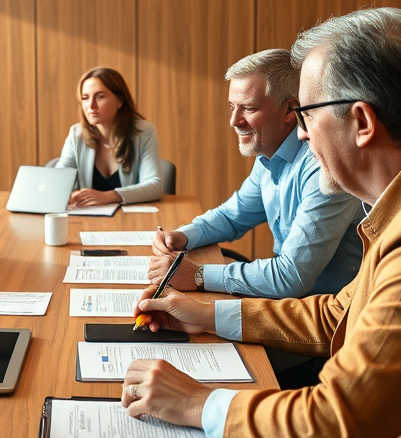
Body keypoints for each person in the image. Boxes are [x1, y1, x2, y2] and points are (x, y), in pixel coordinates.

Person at [123, 9, 401, 438]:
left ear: (361, 122)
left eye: (307, 114)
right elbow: (339, 313)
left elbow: (330, 428)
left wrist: (196, 401)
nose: (301, 130)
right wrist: (203, 312)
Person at [149, 49, 362, 299]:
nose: (234, 121)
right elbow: (231, 217)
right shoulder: (268, 155)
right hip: (288, 303)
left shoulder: (322, 168)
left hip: (323, 316)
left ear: (289, 110)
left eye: (248, 109)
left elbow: (289, 277)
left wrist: (198, 275)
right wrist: (183, 235)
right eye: (232, 107)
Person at [55, 67, 161, 206]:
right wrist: (68, 193)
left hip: (133, 221)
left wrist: (110, 196)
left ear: (120, 100)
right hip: (87, 221)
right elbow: (57, 182)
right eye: (85, 98)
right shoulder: (77, 134)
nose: (91, 106)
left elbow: (155, 186)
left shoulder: (143, 132)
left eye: (100, 97)